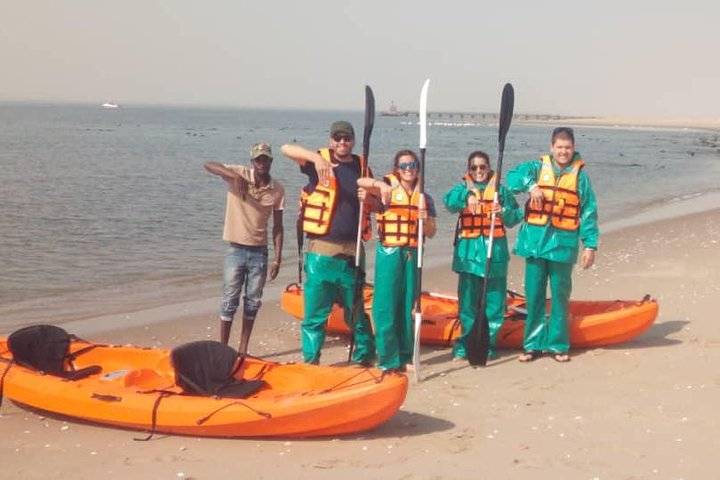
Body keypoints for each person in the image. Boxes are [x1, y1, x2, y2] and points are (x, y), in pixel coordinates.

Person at [280, 121, 376, 365]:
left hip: (353, 253)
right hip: (322, 253)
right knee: (315, 315)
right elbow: (285, 149)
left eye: (346, 138)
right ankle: (311, 363)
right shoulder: (318, 163)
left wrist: (371, 197)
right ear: (331, 139)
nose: (341, 142)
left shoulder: (363, 167)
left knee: (356, 312)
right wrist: (316, 158)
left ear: (353, 140)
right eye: (337, 138)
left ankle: (365, 357)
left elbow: (377, 205)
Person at [506, 127, 599, 362]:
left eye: (567, 147)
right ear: (552, 148)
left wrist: (590, 245)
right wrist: (531, 185)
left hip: (563, 245)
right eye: (559, 147)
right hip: (535, 243)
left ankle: (558, 345)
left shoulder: (580, 177)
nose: (563, 151)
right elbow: (511, 179)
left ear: (573, 148)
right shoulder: (536, 169)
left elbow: (588, 211)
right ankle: (532, 345)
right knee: (534, 295)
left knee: (560, 295)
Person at [357, 150, 437, 372]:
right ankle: (388, 358)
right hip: (389, 252)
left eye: (412, 165)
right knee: (385, 305)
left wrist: (425, 219)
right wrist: (379, 186)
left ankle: (406, 355)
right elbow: (360, 181)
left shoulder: (424, 197)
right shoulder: (387, 188)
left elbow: (431, 232)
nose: (408, 169)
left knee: (408, 305)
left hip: (412, 253)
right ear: (397, 169)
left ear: (418, 168)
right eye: (403, 166)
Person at [204, 142, 285, 355]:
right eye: (258, 159)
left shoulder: (277, 190)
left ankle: (243, 348)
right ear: (252, 162)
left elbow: (278, 226)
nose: (262, 163)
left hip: (259, 252)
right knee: (229, 299)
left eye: (265, 159)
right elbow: (209, 164)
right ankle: (223, 348)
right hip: (235, 250)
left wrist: (277, 259)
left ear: (271, 162)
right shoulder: (239, 174)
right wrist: (234, 177)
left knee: (253, 302)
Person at [443, 151, 523, 361]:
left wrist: (503, 210)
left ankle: (487, 345)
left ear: (489, 168)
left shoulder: (501, 191)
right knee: (468, 304)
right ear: (469, 170)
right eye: (474, 168)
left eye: (482, 167)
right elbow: (448, 203)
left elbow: (515, 217)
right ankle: (464, 345)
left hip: (494, 254)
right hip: (468, 254)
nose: (478, 171)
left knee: (494, 305)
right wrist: (466, 196)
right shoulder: (462, 189)